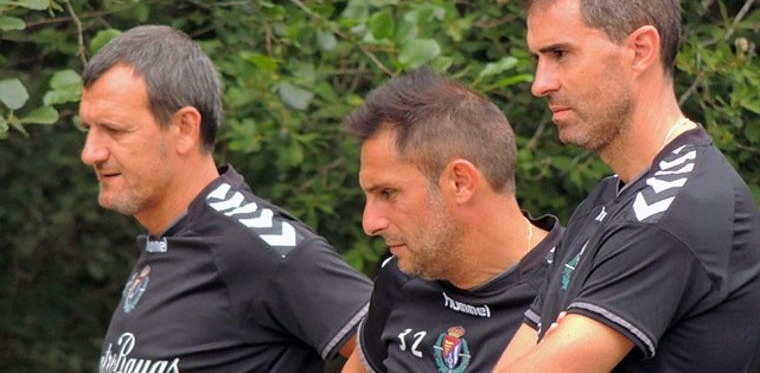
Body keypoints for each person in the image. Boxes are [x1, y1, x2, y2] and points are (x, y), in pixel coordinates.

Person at [492, 0, 760, 371]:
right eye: (537, 59)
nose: (539, 84)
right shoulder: (606, 199)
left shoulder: (674, 209)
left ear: (640, 50)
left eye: (560, 54)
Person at [78, 25, 372, 373]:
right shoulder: (168, 240)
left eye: (114, 130)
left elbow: (399, 348)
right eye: (88, 129)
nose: (90, 153)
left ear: (184, 128)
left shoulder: (257, 243)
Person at [339, 68, 564, 373]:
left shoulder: (577, 286)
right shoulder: (400, 277)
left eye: (388, 193)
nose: (371, 223)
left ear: (460, 182)